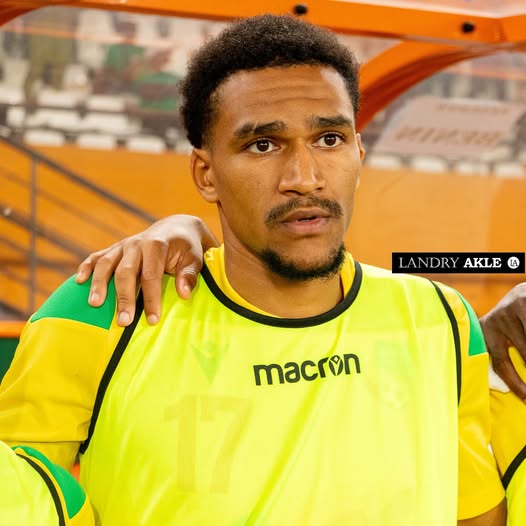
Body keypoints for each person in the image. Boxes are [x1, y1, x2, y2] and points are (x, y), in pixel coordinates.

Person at [0, 14, 507, 525]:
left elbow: (474, 513)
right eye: (263, 145)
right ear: (206, 173)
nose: (304, 178)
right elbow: (18, 498)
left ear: (358, 152)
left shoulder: (441, 318)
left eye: (329, 139)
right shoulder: (107, 309)